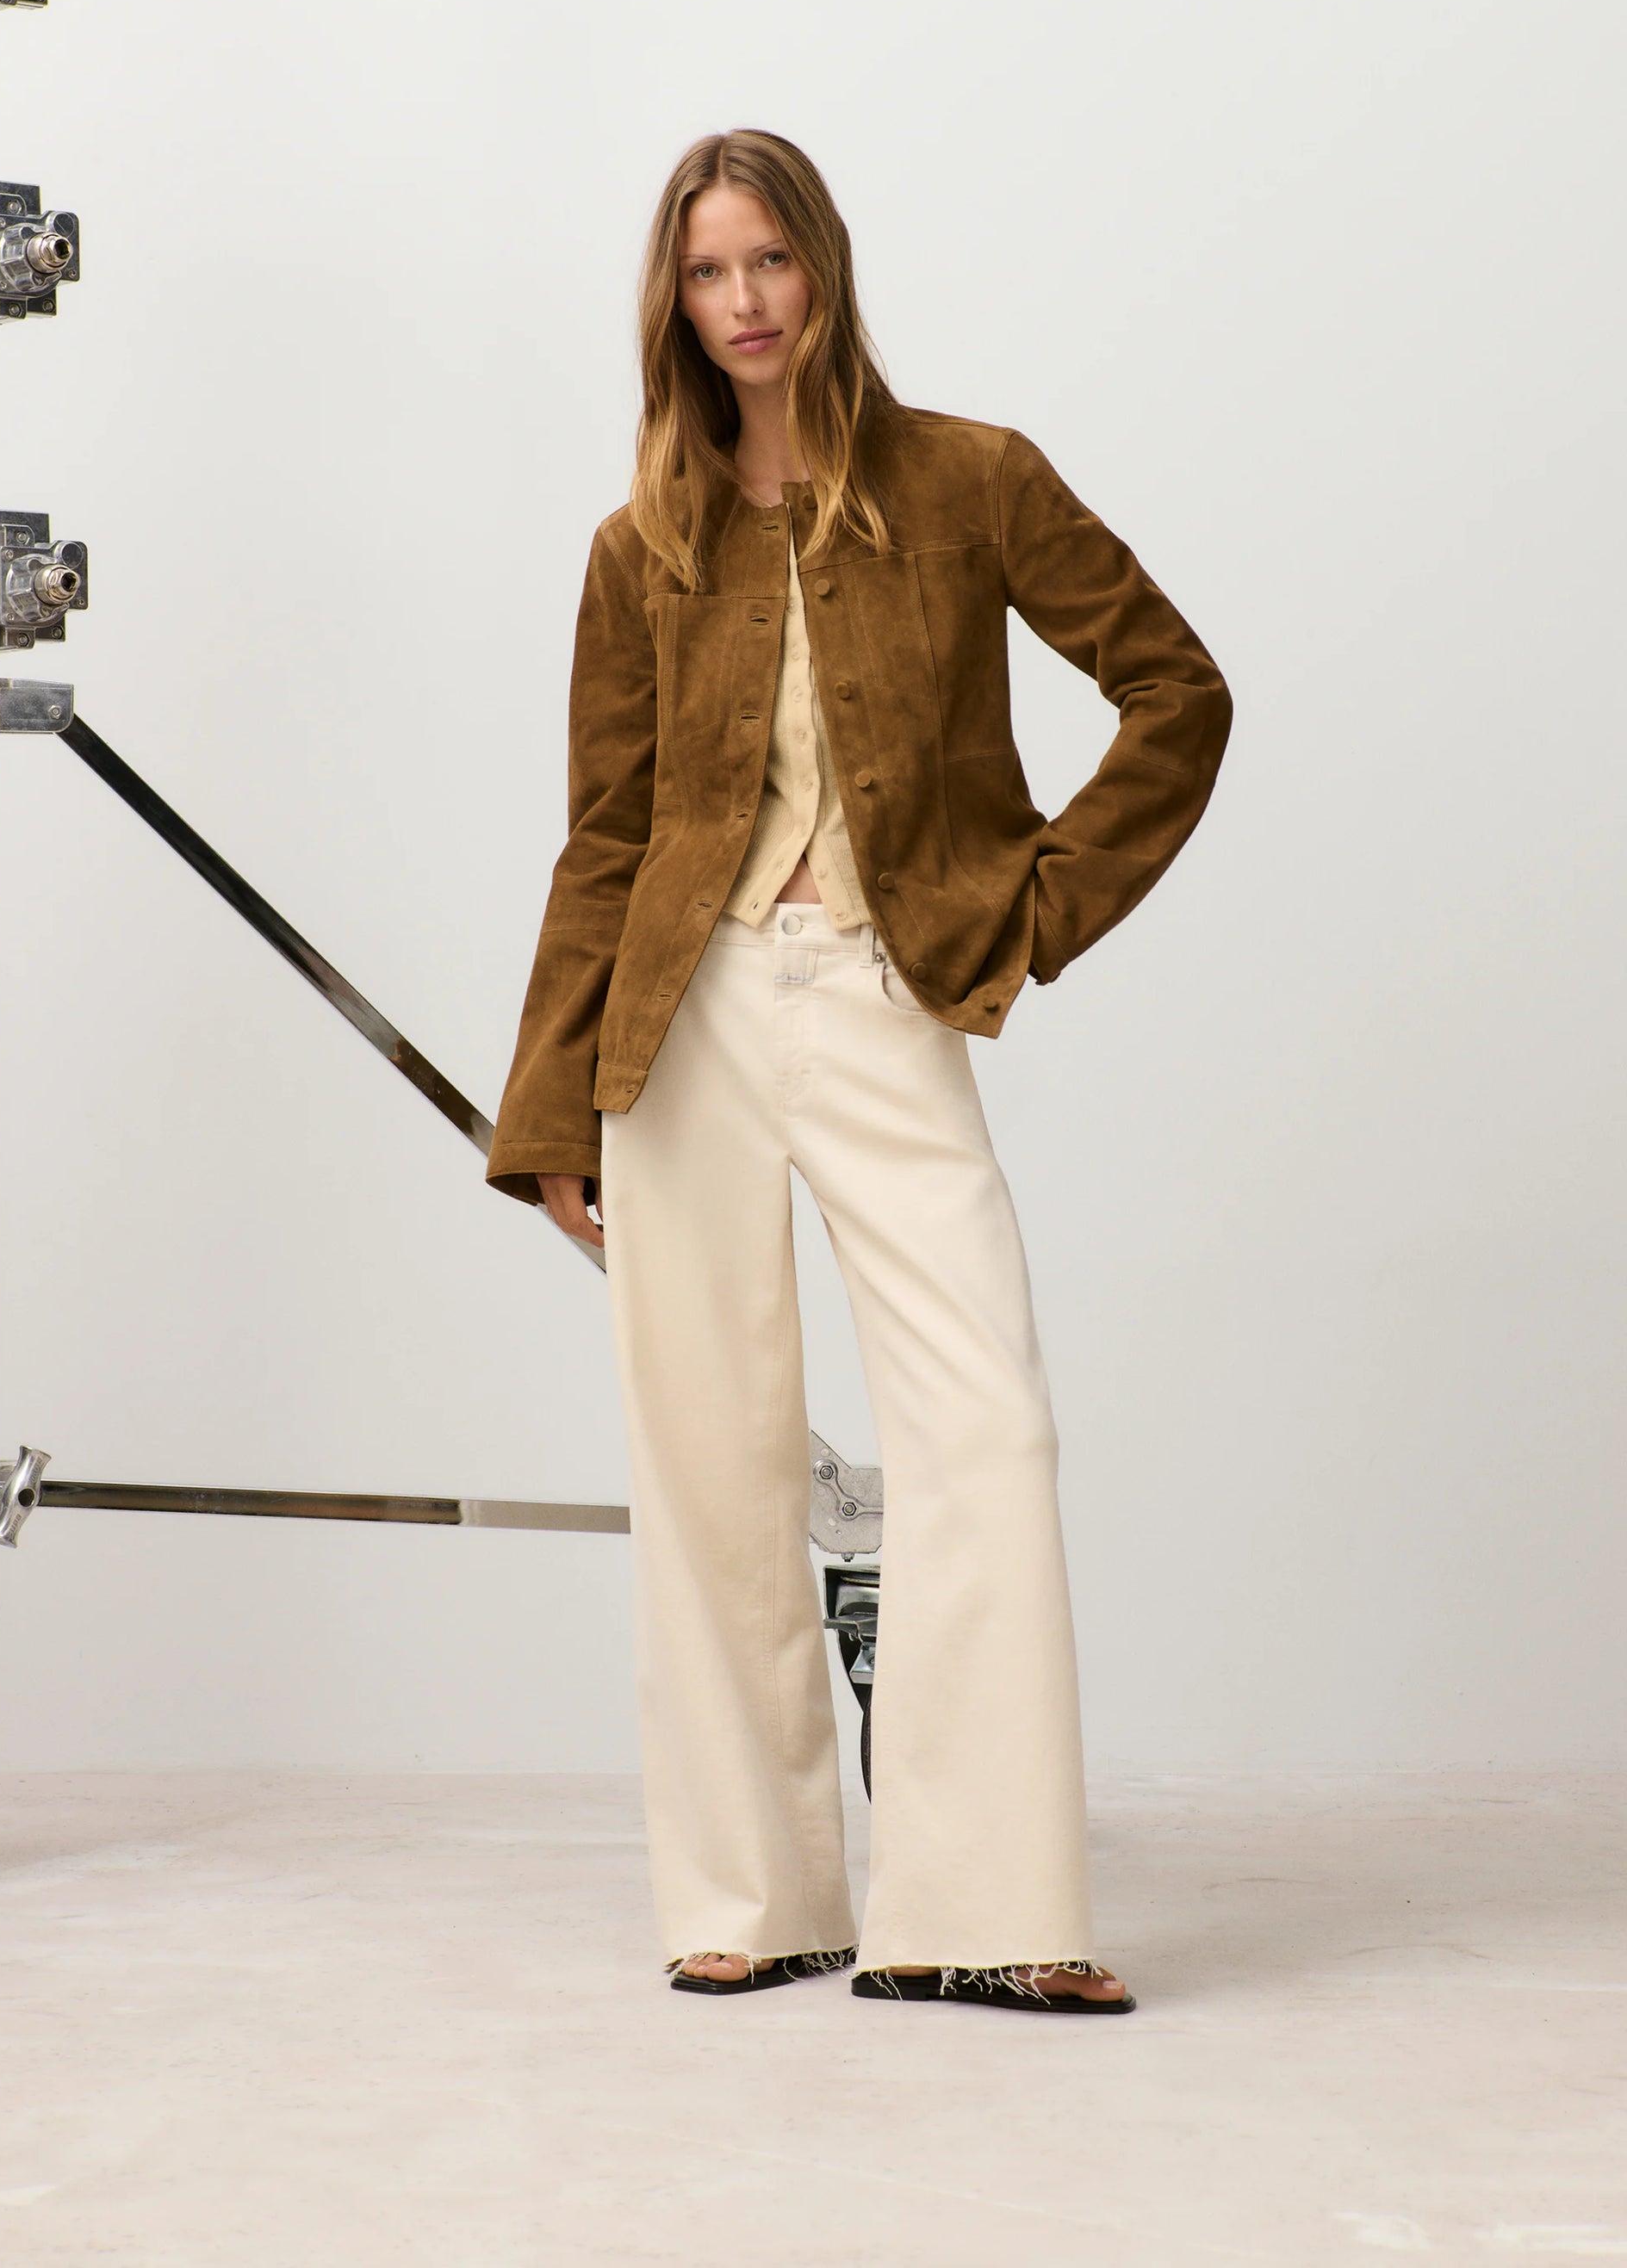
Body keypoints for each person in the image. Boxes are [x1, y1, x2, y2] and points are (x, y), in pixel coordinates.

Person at [486, 128, 1233, 2015]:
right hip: (689, 1022)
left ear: (823, 268)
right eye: (705, 275)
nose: (740, 307)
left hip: (891, 999)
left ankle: (983, 1909)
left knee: (982, 1431)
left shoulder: (969, 481)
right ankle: (755, 1890)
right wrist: (548, 1105)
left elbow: (1175, 688)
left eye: (768, 265)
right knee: (713, 1458)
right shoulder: (639, 542)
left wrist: (1032, 907)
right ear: (673, 302)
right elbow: (601, 838)